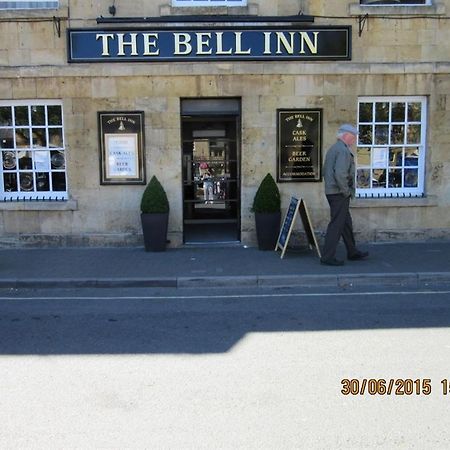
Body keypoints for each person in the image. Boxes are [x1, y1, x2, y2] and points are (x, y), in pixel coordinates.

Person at [321, 124, 368, 266]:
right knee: (337, 225)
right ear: (346, 135)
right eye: (353, 137)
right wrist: (346, 191)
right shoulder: (342, 150)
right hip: (339, 193)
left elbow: (326, 171)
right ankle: (327, 257)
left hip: (333, 192)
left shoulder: (334, 148)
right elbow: (340, 174)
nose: (354, 140)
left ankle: (352, 251)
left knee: (346, 223)